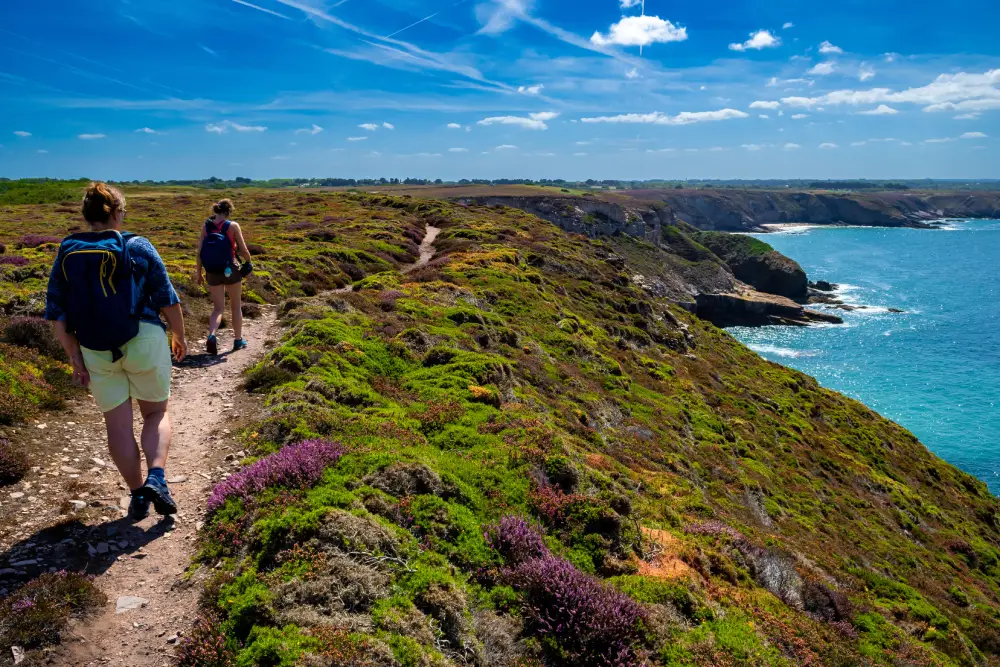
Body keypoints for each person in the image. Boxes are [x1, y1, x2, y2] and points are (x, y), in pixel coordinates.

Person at [45, 182, 187, 521]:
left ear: (87, 215)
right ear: (118, 213)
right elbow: (166, 296)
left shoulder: (68, 250)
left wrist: (74, 356)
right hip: (144, 337)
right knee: (155, 414)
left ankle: (138, 494)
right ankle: (157, 477)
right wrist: (179, 334)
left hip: (95, 346)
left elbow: (57, 312)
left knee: (118, 427)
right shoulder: (137, 245)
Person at [195, 199, 253, 355]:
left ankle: (212, 335)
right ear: (229, 212)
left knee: (218, 308)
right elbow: (244, 250)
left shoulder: (206, 227)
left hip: (212, 272)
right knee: (235, 306)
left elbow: (199, 253)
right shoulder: (232, 226)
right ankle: (238, 340)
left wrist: (199, 273)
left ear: (215, 211)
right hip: (231, 269)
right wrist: (249, 262)